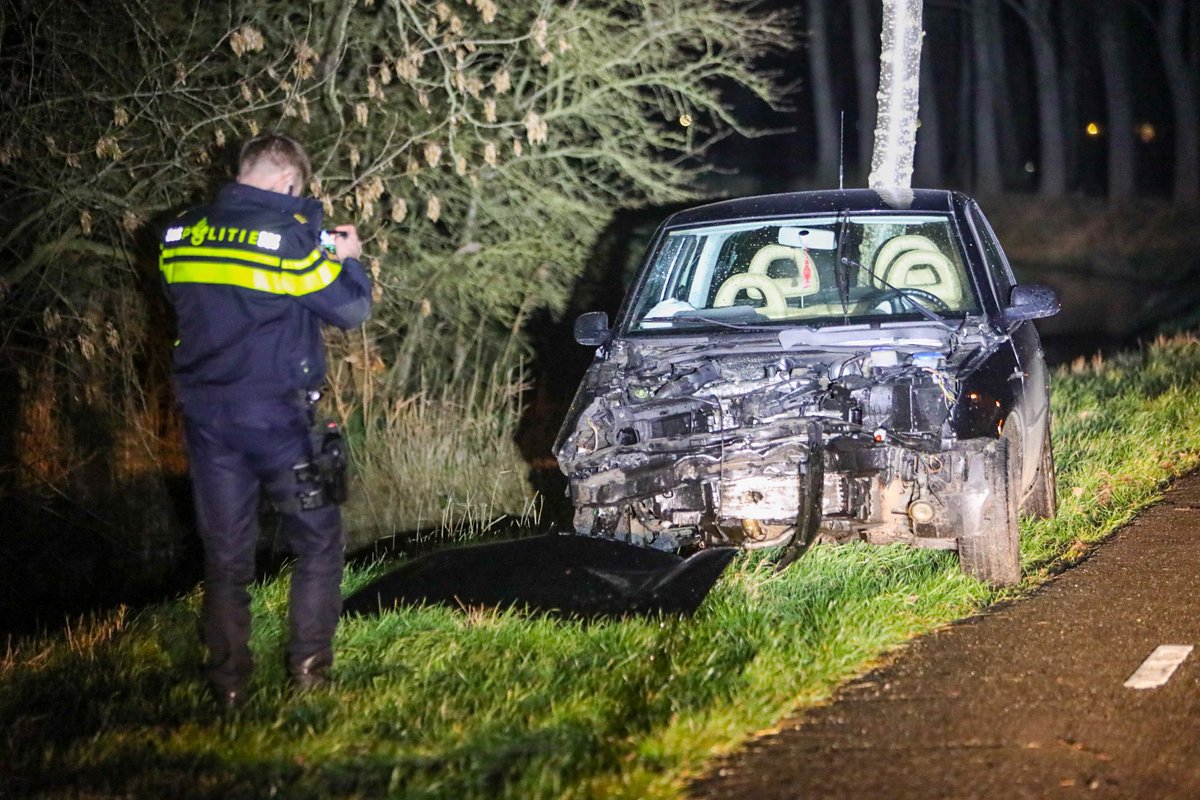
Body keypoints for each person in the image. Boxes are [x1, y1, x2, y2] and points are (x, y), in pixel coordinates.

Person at [159, 133, 372, 708]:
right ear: (286, 183)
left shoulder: (181, 232)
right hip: (281, 420)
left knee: (226, 556)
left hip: (207, 419)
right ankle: (308, 675)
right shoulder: (288, 239)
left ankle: (228, 687)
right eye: (297, 190)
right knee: (319, 542)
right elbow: (348, 309)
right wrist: (350, 259)